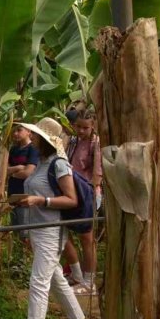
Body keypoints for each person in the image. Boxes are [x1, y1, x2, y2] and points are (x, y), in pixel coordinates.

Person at [10, 118, 86, 319]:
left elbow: (71, 199)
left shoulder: (59, 164)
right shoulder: (42, 162)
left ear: (46, 140)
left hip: (51, 230)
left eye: (35, 136)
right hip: (37, 227)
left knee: (38, 282)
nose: (31, 138)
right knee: (54, 279)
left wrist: (40, 201)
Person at [61, 109, 102, 293]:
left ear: (93, 126)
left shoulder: (96, 144)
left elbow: (97, 174)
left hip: (87, 193)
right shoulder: (73, 142)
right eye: (78, 126)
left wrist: (92, 194)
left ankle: (89, 281)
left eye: (85, 127)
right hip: (72, 192)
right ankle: (76, 273)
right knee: (64, 231)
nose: (81, 130)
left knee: (87, 238)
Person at [7, 123, 40, 238]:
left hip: (26, 195)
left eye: (19, 130)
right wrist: (18, 167)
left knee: (25, 234)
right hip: (12, 194)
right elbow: (4, 170)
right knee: (15, 231)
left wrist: (11, 173)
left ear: (29, 132)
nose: (15, 133)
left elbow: (28, 173)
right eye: (14, 131)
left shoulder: (33, 149)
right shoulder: (13, 149)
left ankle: (27, 255)